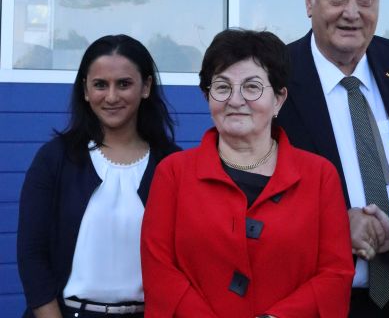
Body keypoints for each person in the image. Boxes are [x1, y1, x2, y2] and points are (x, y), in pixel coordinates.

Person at [141, 28, 354, 318]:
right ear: (207, 96)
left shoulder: (319, 176)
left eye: (252, 87)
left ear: (278, 99)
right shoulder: (173, 174)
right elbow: (159, 270)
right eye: (222, 87)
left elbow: (335, 273)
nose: (235, 100)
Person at [276, 0, 389, 317]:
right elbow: (252, 190)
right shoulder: (275, 74)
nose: (352, 13)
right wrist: (333, 228)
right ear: (310, 0)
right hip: (313, 299)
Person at [17, 35, 179, 318]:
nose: (111, 97)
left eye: (124, 84)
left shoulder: (173, 164)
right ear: (85, 90)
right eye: (100, 84)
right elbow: (31, 254)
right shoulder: (54, 158)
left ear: (146, 87)